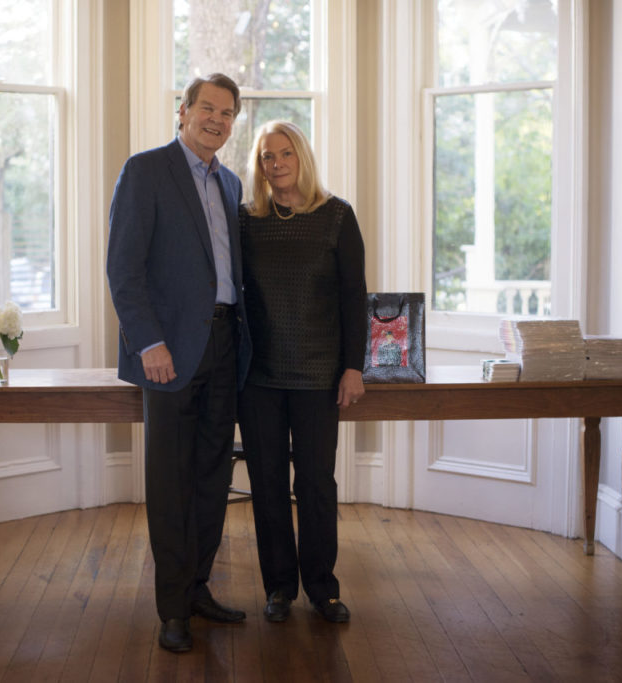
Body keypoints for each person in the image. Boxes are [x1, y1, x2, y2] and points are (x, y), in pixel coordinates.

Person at [106, 73, 252, 654]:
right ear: (183, 111)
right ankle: (172, 611)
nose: (217, 120)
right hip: (167, 354)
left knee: (213, 478)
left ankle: (197, 590)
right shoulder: (146, 171)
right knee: (170, 484)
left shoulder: (232, 183)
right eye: (207, 109)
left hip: (225, 349)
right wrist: (148, 343)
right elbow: (125, 268)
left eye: (228, 113)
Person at [237, 120, 367, 624]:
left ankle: (321, 588)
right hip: (259, 378)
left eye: (285, 153)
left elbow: (355, 298)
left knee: (314, 484)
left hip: (318, 375)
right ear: (260, 167)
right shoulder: (246, 221)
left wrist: (353, 367)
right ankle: (278, 588)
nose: (277, 164)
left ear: (302, 157)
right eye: (267, 157)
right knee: (267, 484)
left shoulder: (336, 216)